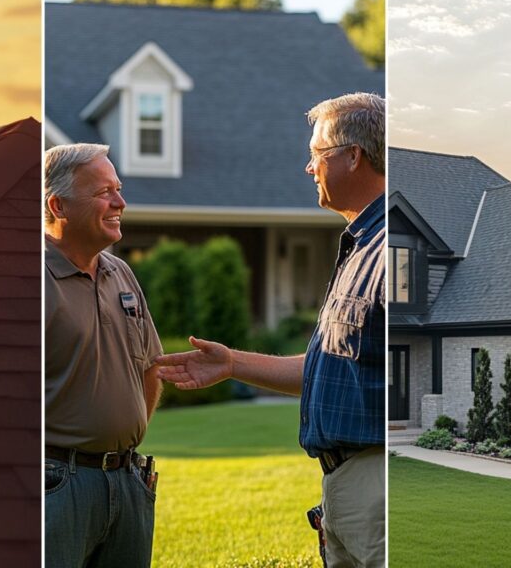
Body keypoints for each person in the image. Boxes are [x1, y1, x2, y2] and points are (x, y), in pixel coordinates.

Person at [155, 93, 385, 567]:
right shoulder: (359, 247)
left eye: (316, 154)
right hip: (343, 488)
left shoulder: (393, 251)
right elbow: (331, 372)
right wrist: (233, 364)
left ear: (353, 156)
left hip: (377, 485)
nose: (308, 168)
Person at [44, 143, 164, 568]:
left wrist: (121, 441)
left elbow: (151, 369)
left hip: (129, 481)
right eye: (104, 192)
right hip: (56, 486)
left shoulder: (121, 273)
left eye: (119, 188)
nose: (120, 202)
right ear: (58, 205)